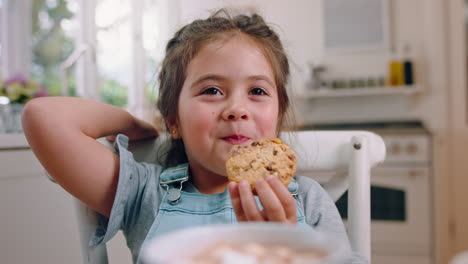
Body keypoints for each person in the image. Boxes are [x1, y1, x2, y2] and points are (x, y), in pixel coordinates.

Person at [22, 9, 366, 263]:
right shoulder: (145, 193)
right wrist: (136, 126)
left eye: (257, 91)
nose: (236, 108)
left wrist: (295, 250)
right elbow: (42, 117)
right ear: (174, 120)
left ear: (276, 118)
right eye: (213, 90)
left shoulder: (306, 199)